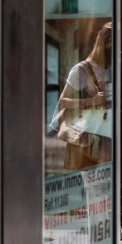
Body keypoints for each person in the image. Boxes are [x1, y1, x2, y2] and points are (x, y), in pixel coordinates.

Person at [50, 22, 113, 170]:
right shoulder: (82, 69)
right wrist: (91, 101)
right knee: (92, 179)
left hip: (108, 136)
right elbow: (63, 102)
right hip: (88, 138)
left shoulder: (112, 69)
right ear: (105, 44)